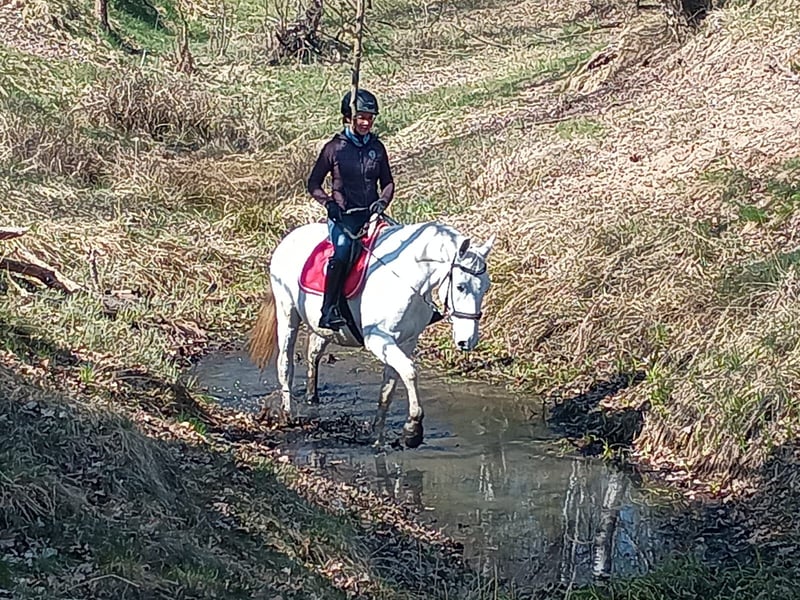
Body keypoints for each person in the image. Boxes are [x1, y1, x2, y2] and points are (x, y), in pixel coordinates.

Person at [307, 88, 395, 331]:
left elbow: (387, 182)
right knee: (343, 250)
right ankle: (328, 310)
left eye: (370, 117)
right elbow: (313, 183)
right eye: (361, 117)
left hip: (372, 215)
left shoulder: (377, 148)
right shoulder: (334, 148)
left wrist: (382, 202)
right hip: (343, 217)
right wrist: (329, 204)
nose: (366, 122)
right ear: (349, 117)